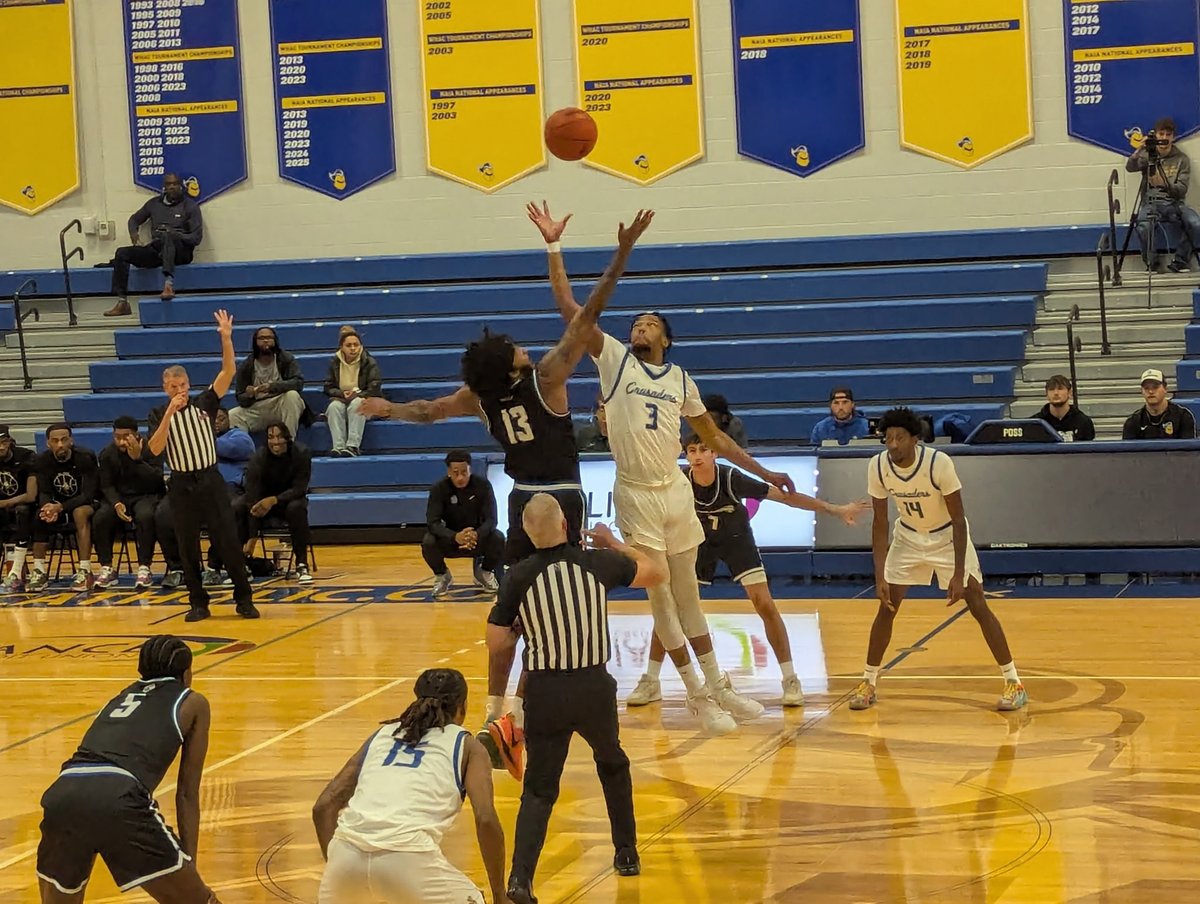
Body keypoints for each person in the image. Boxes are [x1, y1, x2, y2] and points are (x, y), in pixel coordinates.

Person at [362, 207, 654, 771]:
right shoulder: (547, 377)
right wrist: (621, 252)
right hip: (561, 498)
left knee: (513, 611)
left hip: (522, 501)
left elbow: (427, 411)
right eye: (515, 347)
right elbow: (589, 314)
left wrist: (386, 409)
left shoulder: (478, 398)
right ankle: (526, 710)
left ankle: (497, 714)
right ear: (512, 365)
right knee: (558, 607)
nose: (523, 346)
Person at [540, 200, 795, 733]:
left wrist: (765, 473)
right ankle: (698, 696)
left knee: (689, 596)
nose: (640, 326)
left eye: (650, 323)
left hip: (674, 490)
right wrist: (555, 244)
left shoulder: (681, 379)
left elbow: (715, 438)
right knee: (660, 599)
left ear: (666, 339)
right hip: (636, 491)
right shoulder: (614, 358)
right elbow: (570, 308)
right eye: (636, 322)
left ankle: (718, 687)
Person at [486, 495, 663, 904]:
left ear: (527, 532)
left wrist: (521, 628)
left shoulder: (518, 576)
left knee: (539, 789)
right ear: (565, 524)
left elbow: (496, 642)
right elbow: (657, 571)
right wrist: (613, 542)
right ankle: (626, 852)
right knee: (612, 764)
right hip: (593, 687)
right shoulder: (597, 563)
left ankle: (520, 880)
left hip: (545, 692)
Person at [627, 433, 866, 708]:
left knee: (763, 603)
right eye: (692, 450)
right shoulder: (680, 481)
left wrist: (835, 510)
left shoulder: (731, 478)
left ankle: (790, 679)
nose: (698, 456)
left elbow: (785, 498)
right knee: (670, 611)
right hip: (699, 544)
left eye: (704, 449)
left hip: (736, 540)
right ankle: (651, 680)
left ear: (715, 453)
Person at [852, 406, 1026, 712]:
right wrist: (879, 575)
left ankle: (1014, 683)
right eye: (888, 438)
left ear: (915, 439)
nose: (893, 444)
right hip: (908, 536)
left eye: (900, 438)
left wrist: (958, 574)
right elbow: (879, 523)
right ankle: (869, 682)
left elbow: (958, 520)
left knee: (977, 604)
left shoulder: (938, 463)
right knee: (887, 607)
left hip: (946, 535)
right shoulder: (877, 466)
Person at [36, 635, 219, 903]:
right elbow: (186, 793)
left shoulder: (119, 698)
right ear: (186, 673)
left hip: (62, 794)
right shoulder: (193, 702)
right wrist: (189, 863)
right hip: (118, 795)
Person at [313, 669, 512, 904]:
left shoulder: (384, 734)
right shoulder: (467, 745)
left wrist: (339, 867)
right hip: (408, 859)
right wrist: (500, 895)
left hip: (346, 855)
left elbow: (324, 806)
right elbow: (486, 818)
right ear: (462, 707)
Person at [148, 310, 258, 622]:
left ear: (188, 384)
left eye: (181, 385)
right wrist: (169, 414)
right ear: (165, 388)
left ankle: (244, 598)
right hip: (181, 484)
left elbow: (228, 371)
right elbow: (154, 449)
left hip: (210, 479)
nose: (177, 390)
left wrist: (226, 338)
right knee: (188, 546)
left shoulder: (204, 403)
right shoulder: (158, 414)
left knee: (227, 540)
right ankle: (198, 602)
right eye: (172, 386)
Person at [94, 416, 177, 591]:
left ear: (136, 435)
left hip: (147, 495)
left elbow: (157, 480)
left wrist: (138, 460)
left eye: (126, 436)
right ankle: (107, 567)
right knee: (101, 517)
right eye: (117, 437)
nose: (121, 441)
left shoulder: (152, 448)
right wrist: (116, 503)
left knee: (145, 516)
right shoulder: (107, 454)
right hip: (121, 498)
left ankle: (144, 567)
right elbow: (106, 485)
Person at [103, 173, 203, 315]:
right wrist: (133, 232)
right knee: (122, 253)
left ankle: (168, 285)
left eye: (175, 184)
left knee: (168, 236)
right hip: (158, 249)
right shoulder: (154, 204)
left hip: (181, 252)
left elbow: (196, 238)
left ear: (181, 186)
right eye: (169, 184)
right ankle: (122, 302)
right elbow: (134, 219)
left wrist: (175, 234)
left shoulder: (190, 206)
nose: (172, 187)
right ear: (164, 187)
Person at [422, 451, 504, 598]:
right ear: (449, 472)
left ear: (470, 469)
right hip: (451, 539)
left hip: (477, 539)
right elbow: (432, 522)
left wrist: (476, 534)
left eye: (464, 472)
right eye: (456, 473)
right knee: (428, 541)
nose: (460, 477)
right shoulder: (439, 489)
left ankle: (484, 572)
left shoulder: (483, 485)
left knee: (498, 537)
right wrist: (454, 536)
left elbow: (492, 520)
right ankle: (442, 575)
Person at [240, 422, 314, 584]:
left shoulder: (301, 453)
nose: (275, 441)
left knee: (297, 508)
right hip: (263, 503)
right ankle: (238, 564)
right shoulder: (259, 457)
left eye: (280, 437)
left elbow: (299, 489)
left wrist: (274, 500)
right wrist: (252, 536)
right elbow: (252, 492)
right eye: (271, 437)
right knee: (237, 506)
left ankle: (302, 564)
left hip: (289, 500)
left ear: (287, 438)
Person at [29, 424, 99, 593]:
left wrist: (60, 507)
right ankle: (39, 571)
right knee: (40, 515)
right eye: (55, 441)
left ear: (71, 441)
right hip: (58, 506)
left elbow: (88, 494)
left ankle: (85, 570)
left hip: (88, 503)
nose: (60, 444)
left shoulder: (85, 457)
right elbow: (45, 491)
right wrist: (48, 509)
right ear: (48, 443)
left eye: (64, 440)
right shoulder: (42, 461)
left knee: (79, 513)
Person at [1125, 116, 1200, 271]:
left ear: (1173, 137)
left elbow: (1181, 190)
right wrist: (1139, 150)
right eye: (1161, 134)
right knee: (1143, 226)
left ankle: (1180, 261)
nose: (1164, 138)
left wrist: (1164, 184)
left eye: (1168, 134)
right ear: (1156, 135)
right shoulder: (1147, 155)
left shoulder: (1181, 159)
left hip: (1174, 203)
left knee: (1196, 224)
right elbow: (1130, 167)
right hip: (1151, 203)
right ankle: (1152, 263)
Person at [200, 407, 256, 586]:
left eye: (221, 418)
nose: (217, 422)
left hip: (232, 489)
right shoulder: (202, 441)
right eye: (213, 419)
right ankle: (179, 569)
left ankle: (219, 566)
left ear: (229, 420)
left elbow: (234, 449)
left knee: (230, 511)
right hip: (205, 490)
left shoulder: (239, 436)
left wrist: (205, 441)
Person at [228, 327, 306, 437]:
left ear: (275, 340)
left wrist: (271, 387)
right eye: (261, 338)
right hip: (258, 407)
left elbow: (298, 382)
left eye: (269, 338)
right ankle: (244, 445)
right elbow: (240, 398)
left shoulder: (285, 358)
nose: (266, 341)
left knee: (292, 395)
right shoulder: (246, 365)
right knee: (232, 415)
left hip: (281, 404)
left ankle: (288, 442)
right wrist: (250, 395)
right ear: (255, 342)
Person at [323, 326, 383, 457]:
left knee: (357, 403)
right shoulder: (334, 362)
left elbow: (375, 387)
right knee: (334, 407)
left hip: (364, 399)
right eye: (348, 345)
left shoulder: (369, 362)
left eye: (356, 345)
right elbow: (328, 387)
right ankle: (338, 446)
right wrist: (341, 394)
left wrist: (357, 395)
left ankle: (353, 446)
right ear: (341, 347)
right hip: (342, 399)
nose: (353, 348)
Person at [0, 424, 37, 592]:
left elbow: (31, 495)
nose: (1, 447)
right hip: (3, 510)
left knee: (22, 511)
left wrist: (5, 503)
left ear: (10, 441)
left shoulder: (26, 457)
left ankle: (16, 571)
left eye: (4, 442)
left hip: (27, 507)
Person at [1122, 368, 1196, 439]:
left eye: (1155, 387)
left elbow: (1189, 447)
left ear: (1165, 389)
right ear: (1141, 391)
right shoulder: (1133, 422)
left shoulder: (1183, 417)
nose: (1151, 391)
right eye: (1146, 388)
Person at [1030, 375, 1095, 442]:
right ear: (1046, 394)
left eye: (1060, 388)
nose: (1056, 393)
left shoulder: (1083, 422)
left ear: (1069, 393)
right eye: (1051, 389)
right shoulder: (1034, 424)